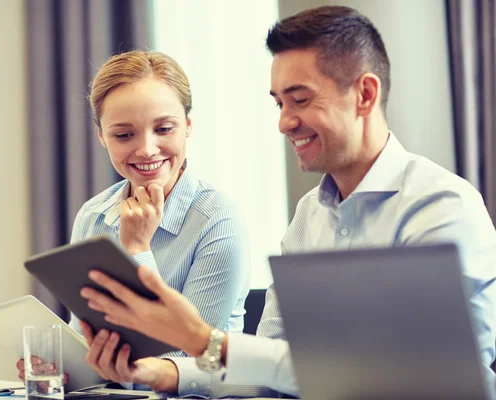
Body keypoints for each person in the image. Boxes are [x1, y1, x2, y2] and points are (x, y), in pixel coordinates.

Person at [77, 5, 496, 398]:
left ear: (365, 95)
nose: (283, 122)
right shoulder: (309, 216)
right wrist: (163, 373)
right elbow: (273, 361)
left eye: (300, 100)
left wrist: (201, 342)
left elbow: (431, 373)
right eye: (279, 103)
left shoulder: (441, 207)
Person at [16, 51, 251, 384]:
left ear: (188, 126)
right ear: (102, 136)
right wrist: (62, 367)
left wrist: (138, 246)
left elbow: (190, 359)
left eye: (164, 128)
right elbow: (86, 336)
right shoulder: (93, 215)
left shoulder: (218, 220)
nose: (146, 149)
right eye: (124, 135)